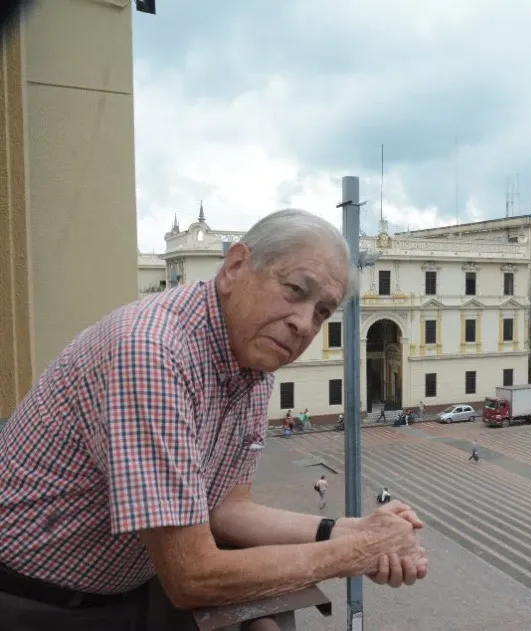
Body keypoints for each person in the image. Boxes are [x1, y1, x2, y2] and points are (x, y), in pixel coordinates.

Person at [0, 209, 428, 630]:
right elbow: (193, 575)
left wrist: (348, 530)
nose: (303, 323)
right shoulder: (152, 351)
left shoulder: (253, 363)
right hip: (35, 603)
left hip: (128, 591)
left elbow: (226, 509)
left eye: (322, 312)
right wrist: (361, 552)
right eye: (296, 289)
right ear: (235, 267)